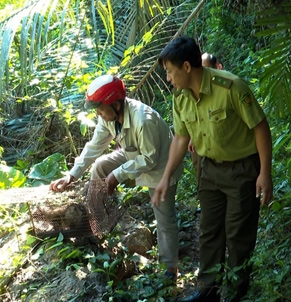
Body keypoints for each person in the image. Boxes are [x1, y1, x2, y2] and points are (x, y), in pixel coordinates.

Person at [152, 37, 273, 302]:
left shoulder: (230, 87)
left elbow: (260, 127)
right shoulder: (180, 98)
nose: (169, 79)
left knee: (238, 235)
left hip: (242, 171)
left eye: (170, 72)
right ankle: (207, 291)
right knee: (209, 231)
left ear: (186, 67)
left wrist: (265, 173)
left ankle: (235, 292)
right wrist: (165, 177)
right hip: (208, 170)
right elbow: (181, 138)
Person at [50, 74, 183, 279]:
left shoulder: (142, 120)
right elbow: (95, 146)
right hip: (134, 153)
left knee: (163, 217)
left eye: (100, 108)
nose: (99, 114)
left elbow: (150, 158)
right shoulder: (108, 118)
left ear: (116, 104)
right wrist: (72, 175)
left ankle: (170, 269)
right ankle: (95, 223)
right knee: (101, 166)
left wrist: (117, 175)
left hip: (161, 165)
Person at [189, 52, 224, 196]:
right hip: (199, 139)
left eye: (207, 69)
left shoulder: (228, 88)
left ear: (218, 67)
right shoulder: (193, 90)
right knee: (200, 169)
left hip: (220, 143)